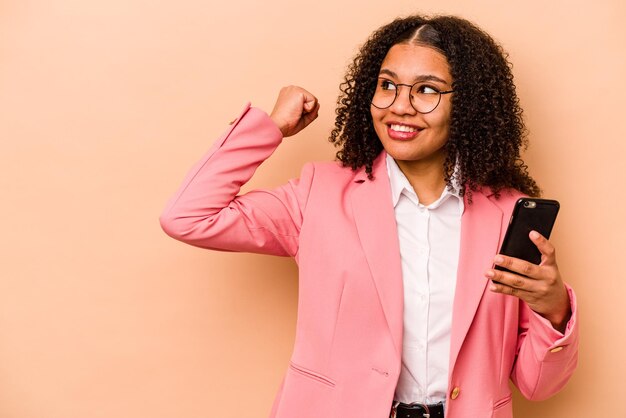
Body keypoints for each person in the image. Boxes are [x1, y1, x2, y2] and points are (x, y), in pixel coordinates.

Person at [160, 14, 578, 418]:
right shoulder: (318, 195)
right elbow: (187, 216)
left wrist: (554, 309)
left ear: (469, 104)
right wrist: (271, 127)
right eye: (387, 85)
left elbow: (537, 385)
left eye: (427, 90)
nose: (400, 106)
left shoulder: (506, 214)